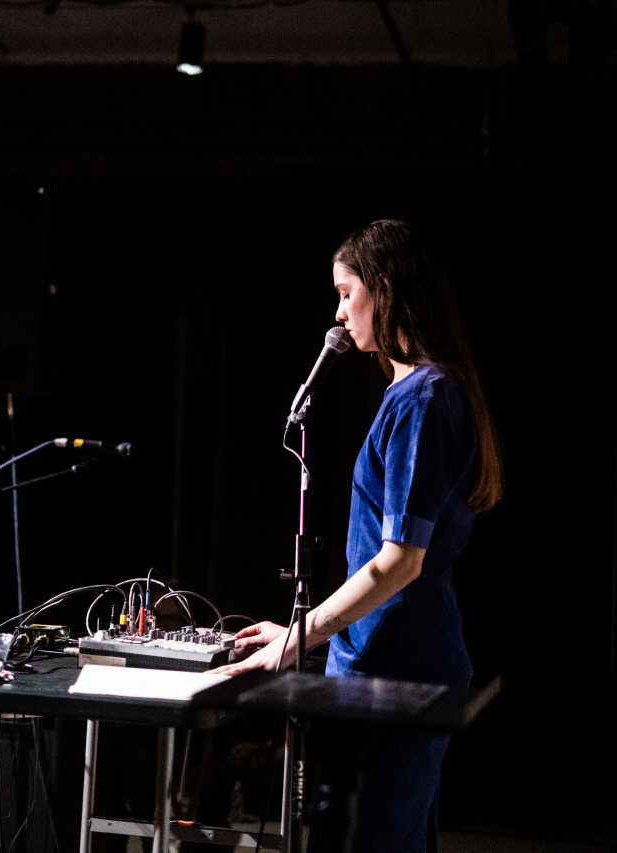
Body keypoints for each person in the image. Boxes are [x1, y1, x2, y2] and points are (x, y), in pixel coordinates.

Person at [211, 219, 503, 852]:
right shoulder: (414, 392)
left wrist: (301, 636)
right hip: (377, 659)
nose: (339, 315)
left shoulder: (424, 398)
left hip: (401, 668)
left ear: (386, 288)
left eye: (347, 294)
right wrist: (307, 631)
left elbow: (400, 563)